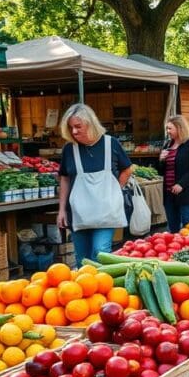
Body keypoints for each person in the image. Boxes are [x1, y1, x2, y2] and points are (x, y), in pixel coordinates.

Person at [56, 103, 132, 266]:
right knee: (82, 259)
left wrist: (114, 190)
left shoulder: (111, 144)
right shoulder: (70, 149)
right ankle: (85, 290)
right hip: (78, 213)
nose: (74, 131)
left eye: (78, 126)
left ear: (90, 123)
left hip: (106, 212)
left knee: (100, 252)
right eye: (70, 128)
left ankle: (102, 288)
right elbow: (65, 178)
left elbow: (127, 169)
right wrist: (61, 210)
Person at [157, 115, 189, 233]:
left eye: (170, 129)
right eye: (167, 129)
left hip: (186, 192)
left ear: (179, 128)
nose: (168, 132)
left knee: (188, 225)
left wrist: (181, 184)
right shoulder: (167, 144)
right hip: (169, 193)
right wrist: (161, 160)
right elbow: (161, 171)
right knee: (173, 226)